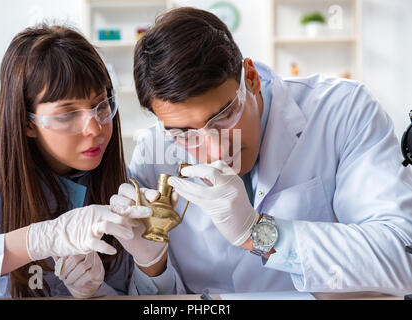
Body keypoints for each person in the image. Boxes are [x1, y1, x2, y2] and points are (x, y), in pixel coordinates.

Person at [125, 7, 412, 295]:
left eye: (224, 115)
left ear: (250, 77)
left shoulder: (343, 109)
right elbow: (155, 298)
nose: (216, 149)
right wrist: (151, 263)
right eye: (184, 133)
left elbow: (403, 254)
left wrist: (258, 233)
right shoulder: (153, 152)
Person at [0, 24, 174, 299]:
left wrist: (150, 265)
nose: (95, 128)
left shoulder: (115, 186)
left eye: (101, 105)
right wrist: (42, 238)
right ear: (27, 122)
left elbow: (149, 301)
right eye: (67, 114)